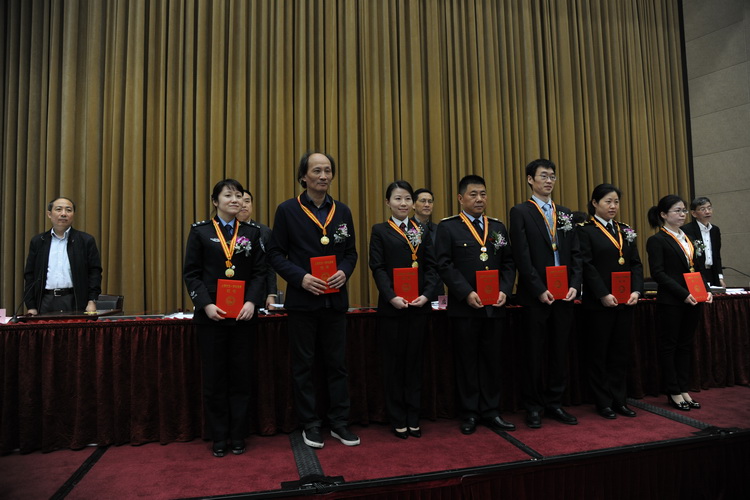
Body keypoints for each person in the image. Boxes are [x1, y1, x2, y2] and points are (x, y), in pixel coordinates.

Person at [267, 151, 360, 448]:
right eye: (317, 170)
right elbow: (275, 254)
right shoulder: (287, 210)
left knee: (338, 365)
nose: (323, 176)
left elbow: (351, 253)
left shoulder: (342, 211)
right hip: (303, 302)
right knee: (304, 367)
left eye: (328, 170)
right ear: (303, 177)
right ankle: (310, 424)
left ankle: (340, 422)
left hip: (335, 301)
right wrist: (301, 278)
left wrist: (345, 271)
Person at [183, 179, 266, 457]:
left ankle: (238, 434)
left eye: (239, 195)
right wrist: (205, 304)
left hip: (243, 315)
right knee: (215, 378)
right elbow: (191, 273)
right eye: (228, 195)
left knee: (241, 376)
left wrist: (252, 302)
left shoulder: (252, 232)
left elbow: (259, 273)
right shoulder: (200, 231)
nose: (235, 200)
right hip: (212, 316)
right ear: (215, 201)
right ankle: (219, 435)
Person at [435, 174, 516, 434]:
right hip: (465, 308)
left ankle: (492, 411)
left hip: (495, 306)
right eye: (473, 194)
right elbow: (444, 264)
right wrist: (466, 292)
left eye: (483, 194)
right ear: (461, 198)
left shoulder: (497, 227)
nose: (479, 199)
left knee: (492, 361)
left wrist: (505, 290)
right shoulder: (448, 227)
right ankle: (469, 413)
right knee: (467, 361)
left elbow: (508, 262)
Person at [509, 159, 582, 429]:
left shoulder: (564, 213)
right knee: (533, 352)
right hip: (535, 296)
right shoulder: (520, 212)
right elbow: (521, 255)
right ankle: (533, 406)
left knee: (559, 350)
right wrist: (539, 289)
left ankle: (555, 402)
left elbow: (575, 252)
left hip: (564, 294)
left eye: (552, 176)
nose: (549, 181)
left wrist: (575, 284)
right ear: (530, 179)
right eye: (543, 176)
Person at [369, 180, 439, 439]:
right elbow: (377, 267)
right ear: (388, 202)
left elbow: (431, 267)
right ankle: (397, 416)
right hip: (393, 308)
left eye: (407, 199)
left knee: (414, 363)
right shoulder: (380, 230)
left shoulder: (422, 230)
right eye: (398, 198)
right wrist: (391, 297)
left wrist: (426, 295)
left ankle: (413, 415)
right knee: (394, 364)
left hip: (418, 307)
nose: (403, 203)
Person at [577, 184, 643, 419]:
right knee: (599, 353)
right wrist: (603, 294)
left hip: (625, 302)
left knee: (619, 352)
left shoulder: (625, 230)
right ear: (595, 203)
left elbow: (635, 263)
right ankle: (602, 401)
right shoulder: (585, 231)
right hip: (599, 303)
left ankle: (619, 400)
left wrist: (637, 290)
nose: (613, 206)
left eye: (616, 201)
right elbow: (586, 265)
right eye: (608, 201)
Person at [646, 194, 713, 411]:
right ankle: (673, 391)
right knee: (670, 346)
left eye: (684, 210)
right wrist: (683, 294)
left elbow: (699, 268)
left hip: (694, 300)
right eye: (677, 210)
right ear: (664, 215)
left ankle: (684, 388)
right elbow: (658, 273)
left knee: (685, 345)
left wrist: (706, 290)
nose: (682, 214)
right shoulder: (657, 240)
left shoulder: (690, 238)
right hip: (672, 301)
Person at [23, 197, 102, 315]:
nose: (64, 214)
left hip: (75, 300)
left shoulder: (85, 241)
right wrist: (31, 306)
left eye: (68, 210)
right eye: (59, 209)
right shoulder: (39, 241)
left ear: (73, 215)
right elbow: (30, 275)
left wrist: (92, 300)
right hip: (45, 300)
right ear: (49, 214)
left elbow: (94, 273)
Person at [238, 189, 279, 309]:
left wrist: (271, 294)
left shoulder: (263, 231)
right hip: (231, 288)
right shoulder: (224, 231)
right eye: (241, 201)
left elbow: (270, 264)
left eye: (247, 201)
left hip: (258, 291)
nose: (244, 205)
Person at [682, 197, 725, 288]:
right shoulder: (686, 230)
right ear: (694, 213)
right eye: (703, 209)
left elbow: (717, 255)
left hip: (712, 273)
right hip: (696, 273)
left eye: (709, 208)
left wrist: (720, 277)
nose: (707, 212)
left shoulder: (715, 230)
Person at [412, 187, 445, 301]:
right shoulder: (406, 228)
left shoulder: (439, 229)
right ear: (413, 204)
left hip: (435, 285)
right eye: (423, 201)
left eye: (430, 202)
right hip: (412, 283)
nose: (427, 205)